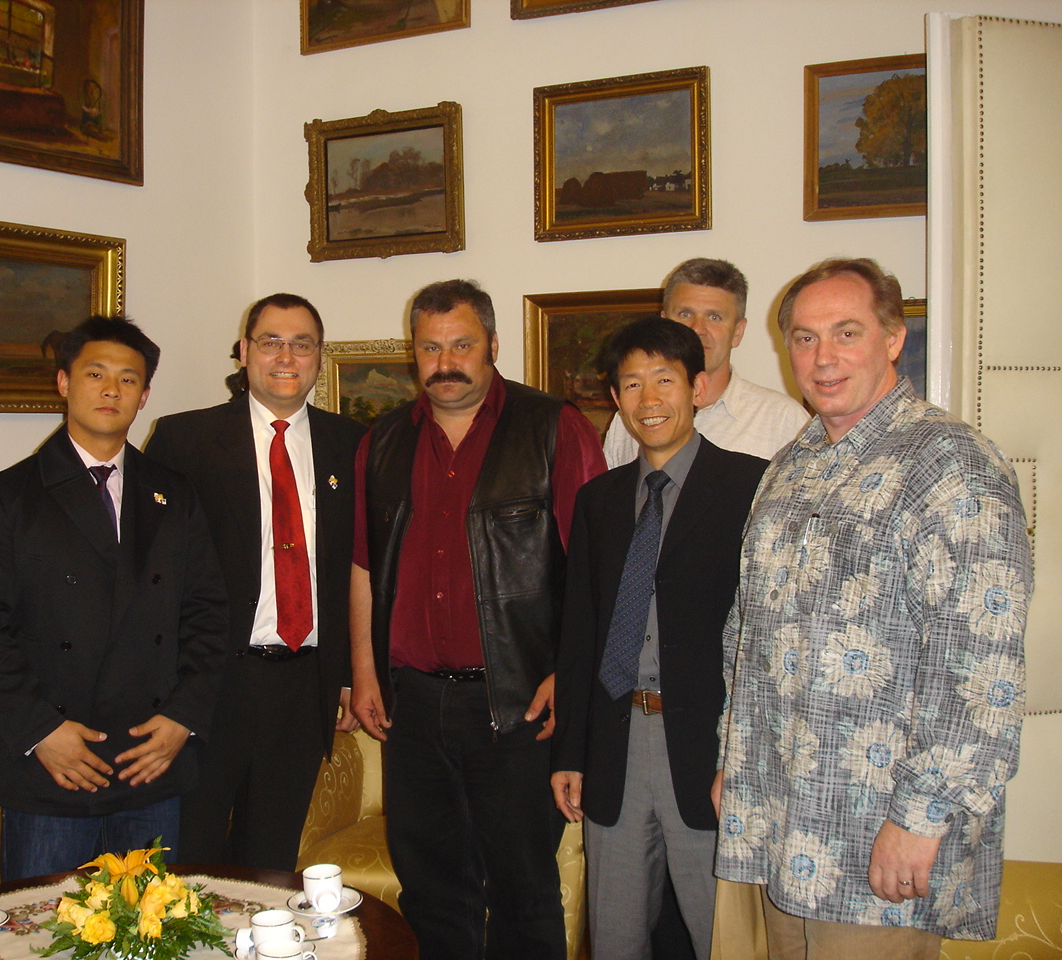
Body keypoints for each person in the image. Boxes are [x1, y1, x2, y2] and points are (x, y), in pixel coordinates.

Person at [714, 259, 1034, 957]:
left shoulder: (951, 464)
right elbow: (748, 633)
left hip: (876, 848)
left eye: (846, 332)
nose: (822, 358)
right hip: (778, 829)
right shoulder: (791, 465)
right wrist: (733, 762)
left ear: (893, 338)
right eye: (804, 338)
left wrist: (920, 818)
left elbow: (983, 668)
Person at [349, 279, 606, 960]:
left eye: (461, 344)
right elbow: (364, 567)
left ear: (492, 344)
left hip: (518, 704)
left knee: (523, 891)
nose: (446, 363)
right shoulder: (383, 441)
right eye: (430, 348)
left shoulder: (554, 428)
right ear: (412, 352)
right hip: (413, 706)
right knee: (432, 890)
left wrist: (570, 673)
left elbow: (596, 569)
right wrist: (365, 671)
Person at [0, 316, 230, 881]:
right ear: (64, 382)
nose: (111, 390)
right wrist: (39, 731)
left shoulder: (173, 493)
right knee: (44, 924)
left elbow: (208, 614)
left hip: (148, 758)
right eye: (95, 374)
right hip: (52, 763)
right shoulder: (10, 495)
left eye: (128, 379)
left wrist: (183, 716)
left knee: (150, 921)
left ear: (144, 395)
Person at [552, 318, 767, 960]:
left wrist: (749, 757)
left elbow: (766, 638)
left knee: (720, 938)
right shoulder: (598, 500)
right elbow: (580, 632)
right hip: (617, 746)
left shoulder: (754, 487)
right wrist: (570, 752)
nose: (649, 400)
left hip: (710, 750)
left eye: (665, 380)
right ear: (615, 398)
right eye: (632, 384)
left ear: (697, 388)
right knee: (615, 938)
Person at [144, 293, 366, 871]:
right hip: (208, 685)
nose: (286, 357)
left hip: (304, 688)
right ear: (244, 352)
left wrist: (349, 673)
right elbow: (150, 573)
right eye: (271, 342)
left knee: (270, 866)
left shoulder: (351, 444)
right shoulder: (184, 440)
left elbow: (360, 566)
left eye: (302, 344)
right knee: (187, 864)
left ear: (319, 357)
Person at [603, 258, 807, 466]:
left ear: (737, 332)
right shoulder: (627, 422)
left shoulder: (782, 421)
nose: (697, 329)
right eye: (685, 314)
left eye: (714, 317)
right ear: (663, 323)